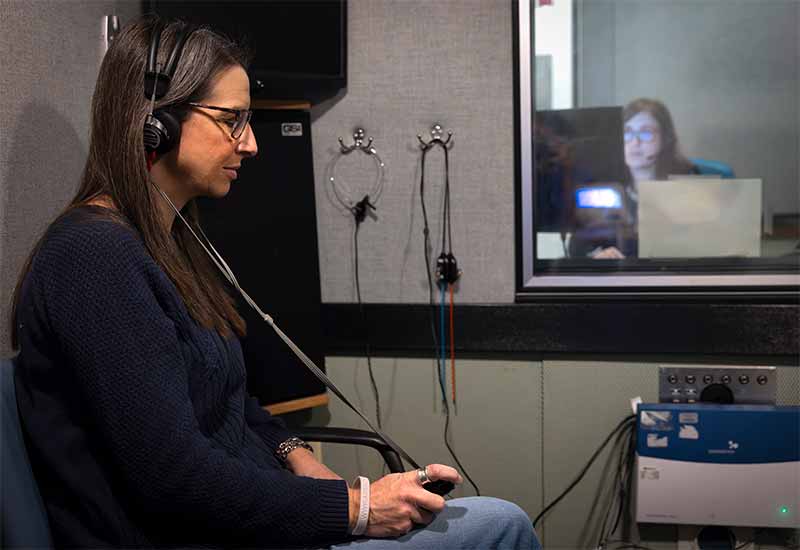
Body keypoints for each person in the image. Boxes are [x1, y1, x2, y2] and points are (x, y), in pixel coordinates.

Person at [7, 16, 539, 550]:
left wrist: (299, 457)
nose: (252, 144)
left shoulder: (168, 243)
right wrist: (358, 510)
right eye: (232, 120)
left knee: (480, 519)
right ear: (156, 122)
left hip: (257, 523)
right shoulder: (93, 257)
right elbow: (174, 479)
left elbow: (225, 400)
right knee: (502, 523)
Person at [588, 97, 697, 259]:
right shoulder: (606, 187)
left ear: (665, 139)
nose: (635, 142)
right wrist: (599, 255)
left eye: (646, 133)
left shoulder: (687, 182)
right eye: (627, 133)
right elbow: (580, 243)